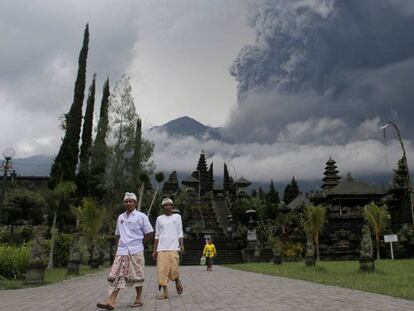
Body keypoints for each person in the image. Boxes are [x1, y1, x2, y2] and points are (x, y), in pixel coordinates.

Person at [97, 192, 154, 310]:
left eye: (131, 201)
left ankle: (138, 298)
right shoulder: (120, 217)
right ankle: (111, 301)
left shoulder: (141, 216)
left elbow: (149, 232)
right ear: (124, 203)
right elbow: (118, 235)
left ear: (135, 202)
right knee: (116, 275)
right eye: (126, 201)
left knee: (137, 275)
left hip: (136, 250)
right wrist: (116, 250)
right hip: (122, 250)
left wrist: (141, 242)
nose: (128, 203)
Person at [152, 198, 184, 300]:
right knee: (162, 271)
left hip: (174, 247)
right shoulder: (159, 219)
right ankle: (165, 293)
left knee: (174, 269)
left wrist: (181, 245)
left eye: (169, 205)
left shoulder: (177, 217)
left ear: (172, 206)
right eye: (165, 205)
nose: (167, 207)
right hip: (161, 248)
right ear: (162, 207)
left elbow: (180, 232)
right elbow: (157, 235)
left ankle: (177, 280)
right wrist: (154, 250)